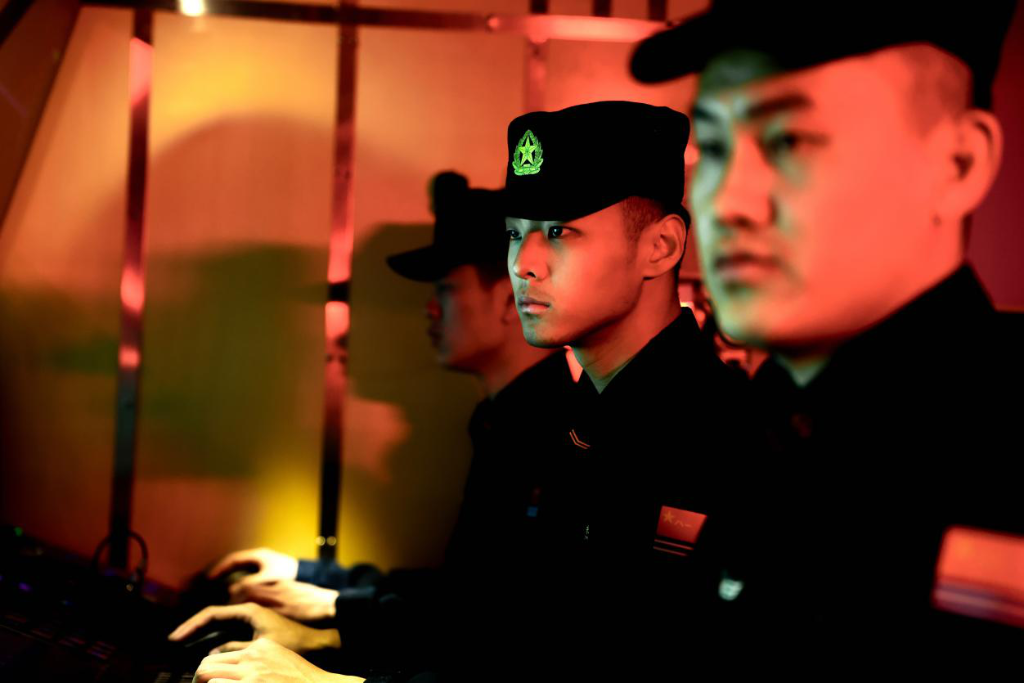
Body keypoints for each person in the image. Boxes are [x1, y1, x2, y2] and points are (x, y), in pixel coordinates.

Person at [631, 0, 1023, 664]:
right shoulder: (743, 426)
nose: (726, 201)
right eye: (715, 148)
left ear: (958, 162)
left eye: (789, 141)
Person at [174, 172, 574, 681]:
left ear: (507, 300)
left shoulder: (556, 432)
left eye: (446, 289)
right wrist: (317, 582)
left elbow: (500, 637)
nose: (429, 308)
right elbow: (466, 597)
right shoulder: (504, 420)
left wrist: (330, 639)